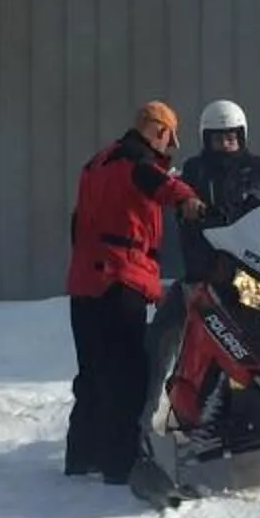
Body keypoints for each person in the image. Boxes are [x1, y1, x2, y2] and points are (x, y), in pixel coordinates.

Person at [65, 101, 205, 482]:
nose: (168, 148)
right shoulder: (137, 162)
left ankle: (81, 455)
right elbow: (162, 185)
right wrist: (189, 200)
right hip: (118, 280)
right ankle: (120, 464)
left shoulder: (96, 163)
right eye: (169, 139)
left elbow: (77, 223)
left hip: (84, 284)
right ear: (159, 131)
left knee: (93, 371)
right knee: (127, 373)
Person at [150, 97, 260, 396]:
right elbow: (180, 204)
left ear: (242, 136)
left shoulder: (255, 168)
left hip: (248, 275)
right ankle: (145, 416)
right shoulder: (194, 171)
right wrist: (192, 210)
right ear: (206, 139)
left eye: (231, 138)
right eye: (218, 138)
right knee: (161, 338)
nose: (225, 144)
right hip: (202, 274)